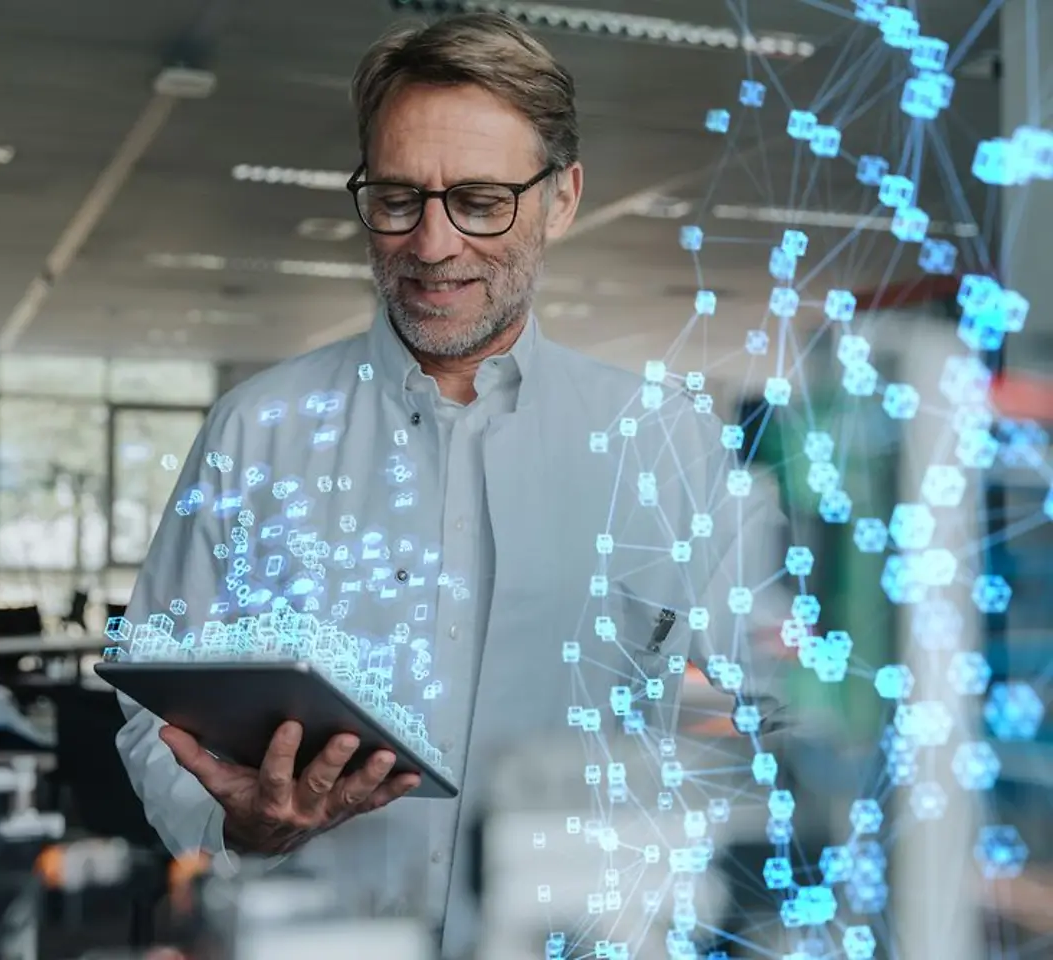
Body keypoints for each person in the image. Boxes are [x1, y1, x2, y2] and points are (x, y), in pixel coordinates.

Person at [116, 11, 791, 958]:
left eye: (480, 200)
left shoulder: (667, 444)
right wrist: (235, 823)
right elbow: (157, 698)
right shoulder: (256, 431)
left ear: (562, 199)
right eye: (397, 198)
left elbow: (766, 719)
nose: (431, 245)